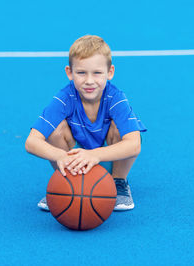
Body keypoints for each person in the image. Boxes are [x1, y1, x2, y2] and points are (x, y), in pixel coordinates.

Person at [25, 35, 147, 211]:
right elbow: (31, 142)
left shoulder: (117, 98)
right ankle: (64, 181)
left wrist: (95, 155)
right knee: (54, 130)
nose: (89, 80)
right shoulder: (64, 98)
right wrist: (61, 156)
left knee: (124, 130)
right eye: (81, 73)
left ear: (110, 72)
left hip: (109, 156)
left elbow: (135, 145)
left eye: (97, 73)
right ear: (69, 72)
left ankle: (119, 181)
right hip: (74, 158)